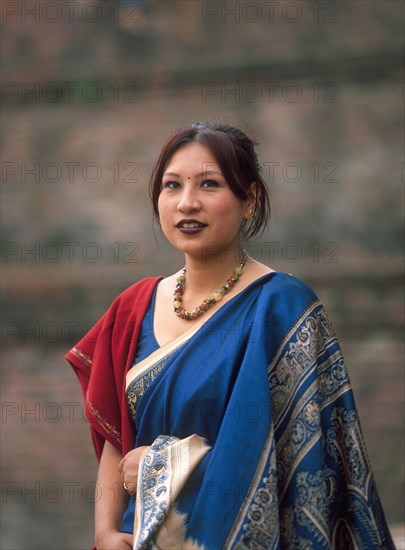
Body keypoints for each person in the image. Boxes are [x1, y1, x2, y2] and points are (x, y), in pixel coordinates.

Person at [66, 122, 394, 550]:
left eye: (209, 184)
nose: (187, 203)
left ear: (249, 200)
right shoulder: (133, 308)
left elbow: (308, 468)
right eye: (172, 186)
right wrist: (106, 533)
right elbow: (116, 437)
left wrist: (159, 467)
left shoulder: (282, 309)